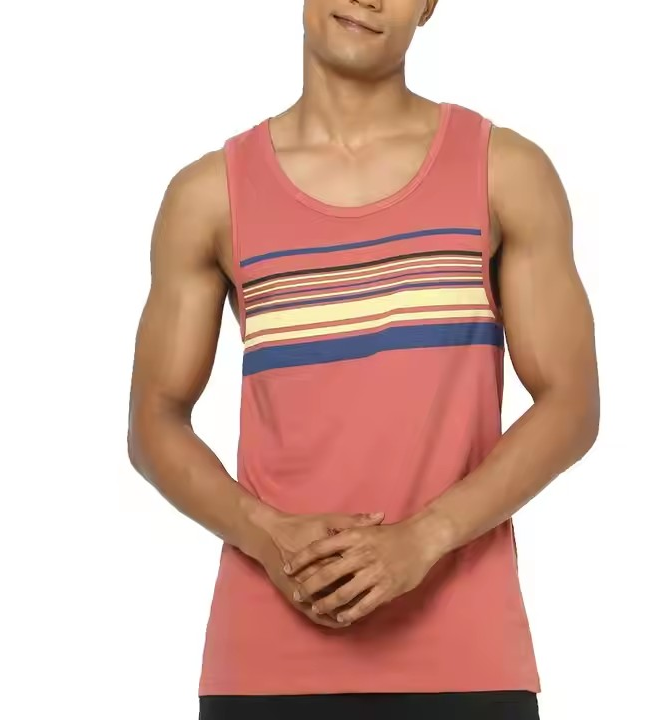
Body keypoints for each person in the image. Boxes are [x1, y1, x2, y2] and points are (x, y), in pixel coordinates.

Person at [127, 1, 599, 717]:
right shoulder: (208, 196)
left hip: (465, 661)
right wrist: (266, 534)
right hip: (266, 667)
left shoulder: (503, 171)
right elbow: (153, 421)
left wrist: (425, 538)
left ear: (429, 5)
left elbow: (572, 403)